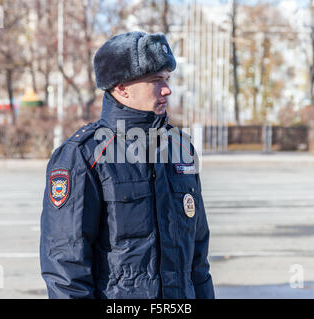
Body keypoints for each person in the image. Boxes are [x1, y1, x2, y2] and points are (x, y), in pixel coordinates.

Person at [39, 31, 214, 299]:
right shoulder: (83, 155)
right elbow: (66, 267)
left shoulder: (181, 149)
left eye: (167, 79)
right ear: (122, 88)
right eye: (156, 81)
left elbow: (198, 258)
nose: (167, 89)